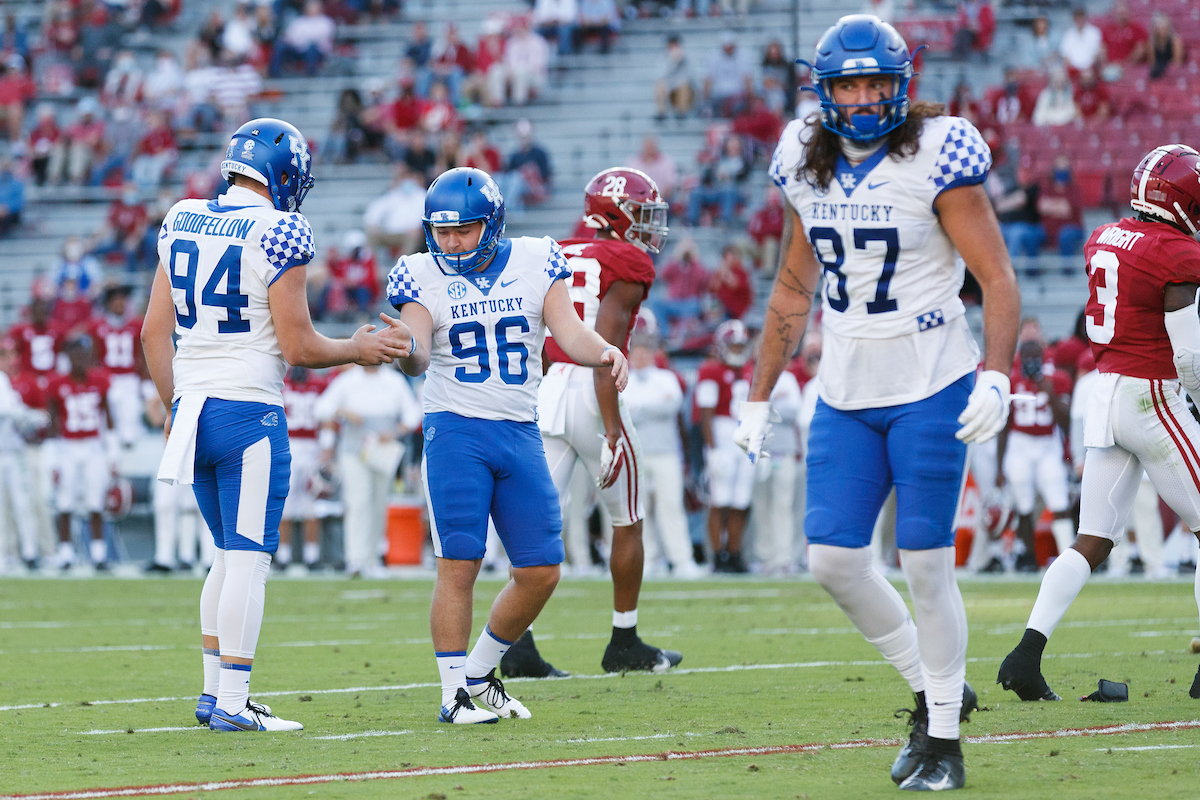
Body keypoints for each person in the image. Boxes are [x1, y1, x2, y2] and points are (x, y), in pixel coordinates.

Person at [734, 15, 1019, 790]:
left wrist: (997, 373)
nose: (863, 100)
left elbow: (996, 277)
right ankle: (933, 690)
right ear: (823, 92)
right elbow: (794, 285)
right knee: (831, 559)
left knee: (925, 563)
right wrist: (757, 396)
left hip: (932, 378)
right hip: (849, 385)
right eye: (849, 86)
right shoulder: (801, 157)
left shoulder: (937, 152)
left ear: (902, 85)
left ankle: (946, 742)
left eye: (876, 84)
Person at [141, 117, 408, 733]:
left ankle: (215, 696)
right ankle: (234, 701)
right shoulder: (281, 229)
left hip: (194, 408)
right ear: (283, 173)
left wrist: (175, 405)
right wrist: (357, 350)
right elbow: (300, 346)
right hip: (247, 414)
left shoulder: (181, 214)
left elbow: (153, 332)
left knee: (225, 559)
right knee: (248, 560)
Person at [384, 166, 630, 724]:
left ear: (491, 223)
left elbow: (568, 332)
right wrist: (404, 351)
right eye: (441, 232)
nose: (450, 242)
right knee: (459, 563)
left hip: (520, 429)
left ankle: (478, 674)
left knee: (542, 568)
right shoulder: (420, 274)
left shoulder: (536, 259)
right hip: (455, 430)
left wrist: (604, 352)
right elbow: (420, 351)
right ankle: (452, 695)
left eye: (463, 230)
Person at [997, 145, 1200, 703]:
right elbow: (1187, 357)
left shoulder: (1104, 236)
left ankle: (1025, 656)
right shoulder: (1178, 253)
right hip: (1149, 395)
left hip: (1104, 390)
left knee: (1093, 539)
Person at [517, 167, 680, 675]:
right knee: (627, 518)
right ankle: (624, 642)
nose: (650, 226)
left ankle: (517, 645)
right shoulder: (626, 260)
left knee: (534, 519)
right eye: (643, 213)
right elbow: (606, 347)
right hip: (594, 387)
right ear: (618, 213)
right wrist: (611, 428)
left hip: (545, 388)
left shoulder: (553, 250)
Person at [314, 362, 420, 577]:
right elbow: (321, 407)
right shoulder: (347, 379)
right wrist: (342, 411)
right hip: (355, 447)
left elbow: (413, 412)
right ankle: (355, 559)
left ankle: (373, 558)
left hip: (383, 449)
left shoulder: (394, 380)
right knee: (358, 501)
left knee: (379, 503)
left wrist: (396, 431)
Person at [623, 312, 699, 577]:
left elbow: (672, 405)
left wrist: (640, 409)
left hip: (666, 453)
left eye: (645, 351)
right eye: (637, 352)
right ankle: (648, 561)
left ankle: (681, 561)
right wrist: (650, 408)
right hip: (636, 455)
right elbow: (624, 413)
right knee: (639, 512)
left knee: (671, 507)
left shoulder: (665, 378)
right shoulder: (625, 379)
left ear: (653, 353)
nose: (641, 357)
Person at [996, 340, 1074, 572]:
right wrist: (999, 465)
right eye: (1027, 356)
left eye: (1035, 356)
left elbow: (1066, 424)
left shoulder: (1054, 380)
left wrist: (1048, 392)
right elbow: (1004, 426)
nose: (1031, 362)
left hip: (1047, 444)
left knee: (1059, 498)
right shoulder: (1011, 381)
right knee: (1024, 504)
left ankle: (1068, 557)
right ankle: (1028, 556)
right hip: (1019, 444)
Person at [47, 336, 114, 571]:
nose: (78, 360)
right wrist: (53, 456)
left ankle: (98, 555)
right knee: (65, 501)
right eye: (74, 355)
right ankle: (66, 554)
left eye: (82, 355)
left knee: (96, 501)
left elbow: (109, 417)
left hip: (93, 446)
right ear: (67, 358)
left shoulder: (99, 381)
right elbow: (53, 422)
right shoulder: (57, 384)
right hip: (67, 446)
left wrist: (112, 454)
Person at [699, 319, 754, 572]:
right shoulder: (711, 371)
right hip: (722, 434)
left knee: (741, 500)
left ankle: (734, 552)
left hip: (747, 435)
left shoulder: (752, 370)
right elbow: (706, 413)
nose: (737, 349)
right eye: (733, 345)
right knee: (719, 499)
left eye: (740, 345)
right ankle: (718, 555)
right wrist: (712, 449)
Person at [277, 366, 331, 571]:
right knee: (284, 504)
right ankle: (282, 557)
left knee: (311, 504)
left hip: (311, 449)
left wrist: (326, 447)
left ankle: (311, 556)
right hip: (286, 445)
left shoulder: (319, 384)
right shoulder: (280, 382)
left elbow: (328, 418)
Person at [89, 285, 145, 448]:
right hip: (108, 378)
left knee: (130, 423)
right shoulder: (98, 326)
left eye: (123, 300)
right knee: (107, 423)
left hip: (129, 378)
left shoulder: (136, 325)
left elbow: (142, 356)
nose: (120, 304)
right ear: (108, 303)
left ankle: (129, 463)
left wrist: (142, 380)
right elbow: (94, 356)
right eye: (116, 300)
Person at [1059, 6, 1102, 75]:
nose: (1079, 20)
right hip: (1073, 69)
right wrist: (1073, 69)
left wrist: (1088, 68)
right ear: (1073, 19)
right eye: (1077, 18)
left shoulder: (1094, 32)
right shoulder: (1068, 34)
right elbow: (1065, 56)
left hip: (1090, 69)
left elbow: (1097, 54)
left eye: (1081, 17)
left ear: (1085, 18)